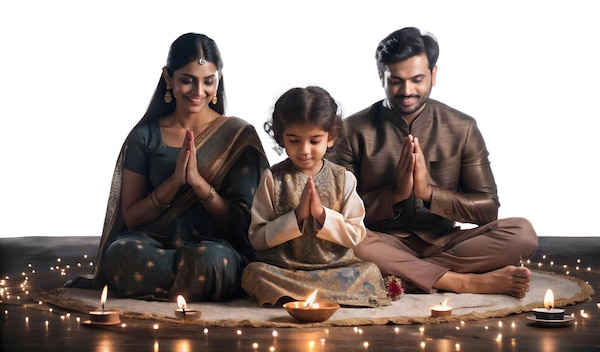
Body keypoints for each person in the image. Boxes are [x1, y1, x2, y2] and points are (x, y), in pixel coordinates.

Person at [328, 27, 538, 298]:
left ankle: (404, 276)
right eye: (396, 80)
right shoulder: (352, 130)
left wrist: (430, 194)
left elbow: (488, 209)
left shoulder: (462, 128)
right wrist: (395, 195)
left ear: (433, 75)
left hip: (447, 243)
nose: (407, 90)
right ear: (381, 76)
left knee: (522, 233)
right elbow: (337, 213)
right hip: (383, 242)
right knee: (345, 240)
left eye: (417, 79)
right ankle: (462, 282)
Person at [66, 33, 269, 302]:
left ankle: (168, 287)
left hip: (215, 248)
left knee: (212, 260)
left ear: (218, 78)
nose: (199, 92)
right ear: (168, 77)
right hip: (152, 245)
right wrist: (174, 182)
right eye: (187, 80)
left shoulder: (237, 136)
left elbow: (245, 225)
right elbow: (132, 219)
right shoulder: (145, 136)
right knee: (119, 253)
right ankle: (189, 288)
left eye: (208, 81)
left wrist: (199, 185)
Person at [241, 86, 390, 307]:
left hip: (335, 270)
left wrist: (322, 216)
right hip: (285, 270)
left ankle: (301, 297)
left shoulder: (343, 178)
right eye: (294, 140)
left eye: (314, 141)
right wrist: (296, 217)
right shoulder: (273, 178)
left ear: (331, 138)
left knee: (369, 272)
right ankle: (326, 297)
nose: (304, 150)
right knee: (254, 273)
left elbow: (356, 235)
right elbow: (257, 238)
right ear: (281, 138)